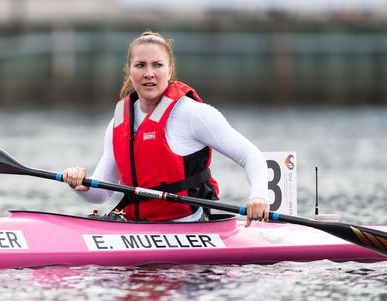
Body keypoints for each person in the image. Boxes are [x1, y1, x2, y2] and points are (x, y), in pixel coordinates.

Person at [63, 31, 269, 227]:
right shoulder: (118, 122)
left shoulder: (193, 114)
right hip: (138, 227)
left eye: (157, 65)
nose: (149, 73)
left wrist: (259, 197)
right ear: (129, 70)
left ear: (170, 70)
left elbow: (251, 156)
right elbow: (100, 194)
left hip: (189, 225)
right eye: (140, 65)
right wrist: (81, 184)